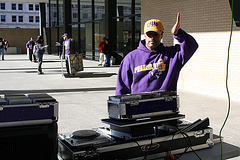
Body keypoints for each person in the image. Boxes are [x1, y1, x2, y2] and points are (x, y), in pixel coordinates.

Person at [115, 13, 198, 95]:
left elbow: (192, 46)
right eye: (149, 34)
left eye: (156, 34)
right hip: (140, 106)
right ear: (145, 35)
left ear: (161, 35)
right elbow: (121, 88)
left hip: (164, 105)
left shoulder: (172, 55)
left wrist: (178, 33)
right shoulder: (131, 58)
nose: (152, 38)